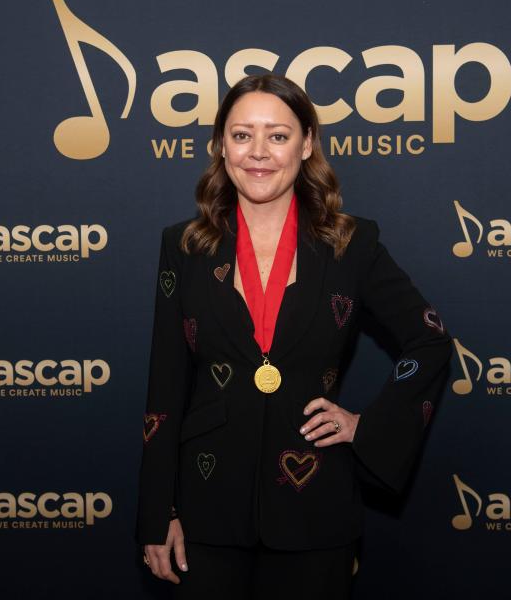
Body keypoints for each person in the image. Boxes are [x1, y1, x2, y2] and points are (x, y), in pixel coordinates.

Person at [135, 73, 452, 599]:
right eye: (242, 135)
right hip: (206, 511)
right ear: (219, 145)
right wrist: (156, 513)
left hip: (315, 507)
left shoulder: (351, 242)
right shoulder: (185, 246)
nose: (258, 153)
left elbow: (430, 339)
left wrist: (366, 424)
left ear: (306, 144)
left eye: (278, 136)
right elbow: (164, 388)